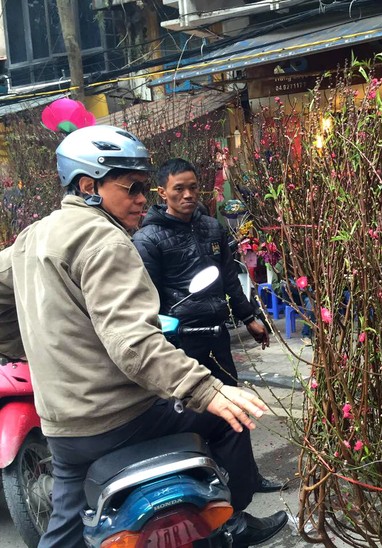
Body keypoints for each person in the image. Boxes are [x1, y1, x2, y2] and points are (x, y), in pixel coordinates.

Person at [0, 125, 287, 547]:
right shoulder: (105, 240)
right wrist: (207, 391)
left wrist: (38, 344)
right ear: (88, 185)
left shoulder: (31, 238)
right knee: (232, 421)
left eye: (145, 188)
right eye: (131, 187)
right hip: (124, 417)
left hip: (64, 428)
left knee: (63, 532)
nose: (141, 199)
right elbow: (133, 343)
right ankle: (232, 524)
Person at [132, 157, 284, 493]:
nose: (187, 195)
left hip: (217, 336)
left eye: (193, 187)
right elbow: (148, 298)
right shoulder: (148, 239)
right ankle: (206, 488)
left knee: (235, 409)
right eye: (179, 189)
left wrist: (249, 318)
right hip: (180, 343)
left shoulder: (211, 228)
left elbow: (229, 280)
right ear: (163, 192)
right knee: (193, 415)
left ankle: (248, 478)